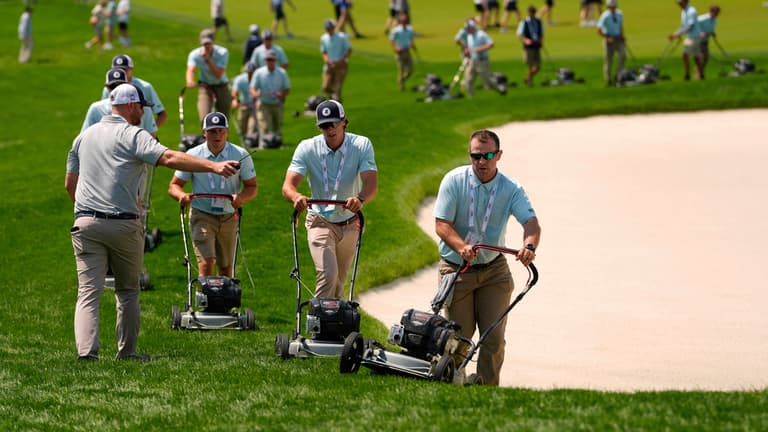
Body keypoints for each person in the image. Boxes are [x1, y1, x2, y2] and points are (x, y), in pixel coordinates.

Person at [66, 84, 241, 362]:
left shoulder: (83, 137)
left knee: (88, 292)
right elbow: (169, 157)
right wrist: (214, 166)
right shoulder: (133, 134)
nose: (143, 112)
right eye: (141, 107)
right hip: (122, 223)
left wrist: (86, 210)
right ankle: (127, 352)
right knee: (127, 291)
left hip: (85, 222)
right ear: (131, 106)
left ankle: (87, 353)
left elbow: (70, 185)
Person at [433, 129, 541, 386]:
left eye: (488, 155)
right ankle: (450, 382)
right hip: (457, 269)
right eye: (476, 156)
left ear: (499, 155)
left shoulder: (511, 188)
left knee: (493, 338)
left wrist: (529, 247)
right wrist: (461, 247)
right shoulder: (453, 180)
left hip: (494, 270)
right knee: (459, 337)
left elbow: (531, 223)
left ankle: (486, 392)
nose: (481, 161)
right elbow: (442, 224)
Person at [281, 100, 378, 299]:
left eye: (334, 123)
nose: (330, 129)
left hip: (351, 222)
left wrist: (360, 198)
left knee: (340, 281)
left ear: (344, 122)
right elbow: (288, 186)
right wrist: (296, 197)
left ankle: (334, 325)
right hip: (319, 220)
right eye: (325, 125)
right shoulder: (307, 148)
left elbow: (371, 184)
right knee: (327, 274)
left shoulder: (361, 145)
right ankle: (317, 321)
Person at [168, 112, 257, 278]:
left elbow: (252, 186)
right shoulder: (192, 155)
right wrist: (182, 196)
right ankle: (204, 300)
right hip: (202, 214)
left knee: (225, 267)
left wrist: (241, 198)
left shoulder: (240, 154)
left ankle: (224, 301)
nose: (217, 135)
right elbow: (174, 185)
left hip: (229, 215)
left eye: (221, 131)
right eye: (212, 131)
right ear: (204, 132)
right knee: (206, 262)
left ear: (227, 132)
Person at [83, 68, 157, 136]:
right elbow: (84, 137)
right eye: (112, 86)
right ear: (106, 88)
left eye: (121, 85)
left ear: (128, 84)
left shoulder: (143, 108)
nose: (116, 89)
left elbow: (152, 138)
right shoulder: (96, 109)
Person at [104, 54, 167, 130]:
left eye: (124, 69)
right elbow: (105, 109)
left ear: (131, 69)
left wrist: (149, 132)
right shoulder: (108, 89)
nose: (121, 72)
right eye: (117, 69)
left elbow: (162, 114)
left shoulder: (145, 87)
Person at [186, 29, 232, 123]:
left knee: (223, 119)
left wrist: (207, 60)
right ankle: (206, 136)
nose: (206, 46)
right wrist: (190, 81)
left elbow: (218, 75)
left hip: (221, 86)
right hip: (205, 87)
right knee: (205, 118)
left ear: (213, 42)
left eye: (208, 43)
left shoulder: (222, 53)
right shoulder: (195, 54)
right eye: (204, 44)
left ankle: (222, 137)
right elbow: (191, 69)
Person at [249, 50, 291, 148]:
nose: (269, 61)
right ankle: (264, 145)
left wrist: (281, 94)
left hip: (277, 103)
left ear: (275, 60)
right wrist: (255, 94)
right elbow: (252, 88)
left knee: (277, 126)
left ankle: (276, 144)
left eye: (271, 60)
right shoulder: (259, 73)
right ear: (265, 61)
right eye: (268, 60)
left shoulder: (282, 73)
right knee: (264, 125)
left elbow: (287, 89)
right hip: (264, 103)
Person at [463, 19, 502, 97]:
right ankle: (471, 97)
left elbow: (491, 44)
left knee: (487, 80)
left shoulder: (481, 34)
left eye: (468, 28)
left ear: (473, 27)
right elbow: (469, 47)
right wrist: (467, 52)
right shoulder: (469, 36)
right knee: (468, 80)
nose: (467, 29)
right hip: (472, 61)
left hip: (482, 61)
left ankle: (500, 89)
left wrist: (478, 49)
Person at [668, 0, 704, 80]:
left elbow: (690, 26)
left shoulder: (691, 11)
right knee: (695, 57)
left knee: (685, 55)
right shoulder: (684, 11)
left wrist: (678, 34)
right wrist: (676, 33)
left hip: (694, 37)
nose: (679, 4)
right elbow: (683, 25)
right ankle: (700, 75)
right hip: (690, 36)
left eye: (680, 2)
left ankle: (688, 75)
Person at [320, 19, 352, 102]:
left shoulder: (341, 37)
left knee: (337, 89)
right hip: (329, 65)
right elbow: (324, 51)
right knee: (325, 87)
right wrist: (327, 61)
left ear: (334, 28)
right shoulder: (323, 38)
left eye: (330, 28)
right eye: (327, 28)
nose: (329, 30)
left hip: (341, 65)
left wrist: (341, 60)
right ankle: (333, 101)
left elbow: (349, 50)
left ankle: (337, 105)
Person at [596, 0, 625, 85]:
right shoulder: (605, 16)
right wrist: (607, 37)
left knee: (623, 56)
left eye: (614, 6)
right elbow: (598, 30)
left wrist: (622, 35)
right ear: (608, 7)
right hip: (609, 40)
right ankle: (608, 79)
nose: (613, 8)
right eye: (611, 6)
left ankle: (618, 75)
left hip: (618, 39)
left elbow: (620, 25)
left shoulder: (620, 14)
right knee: (608, 60)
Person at [231, 62, 259, 146]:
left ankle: (249, 142)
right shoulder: (240, 79)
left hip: (255, 106)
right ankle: (244, 142)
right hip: (243, 106)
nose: (250, 74)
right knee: (242, 126)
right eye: (248, 72)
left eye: (252, 72)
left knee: (252, 126)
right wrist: (235, 101)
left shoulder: (259, 79)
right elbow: (235, 92)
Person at [517, 5, 544, 87]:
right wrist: (526, 40)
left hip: (536, 44)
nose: (532, 14)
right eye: (531, 12)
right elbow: (519, 35)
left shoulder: (538, 21)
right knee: (530, 64)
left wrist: (541, 40)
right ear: (529, 13)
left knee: (538, 66)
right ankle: (530, 81)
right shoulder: (524, 22)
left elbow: (541, 33)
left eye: (534, 12)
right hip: (529, 46)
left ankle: (528, 77)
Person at [389, 12, 416, 91]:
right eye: (403, 21)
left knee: (411, 70)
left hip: (407, 51)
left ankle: (401, 80)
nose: (405, 22)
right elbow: (391, 40)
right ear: (400, 22)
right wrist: (395, 48)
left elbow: (411, 38)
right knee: (401, 70)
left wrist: (412, 45)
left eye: (406, 21)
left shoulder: (409, 28)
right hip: (400, 52)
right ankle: (401, 86)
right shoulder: (396, 30)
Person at [697, 5, 720, 71]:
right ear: (711, 11)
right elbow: (694, 26)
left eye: (717, 13)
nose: (716, 14)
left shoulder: (715, 20)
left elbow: (709, 28)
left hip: (705, 41)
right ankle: (699, 74)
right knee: (702, 57)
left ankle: (699, 73)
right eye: (715, 13)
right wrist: (700, 33)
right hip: (698, 41)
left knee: (706, 58)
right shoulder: (702, 18)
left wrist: (712, 33)